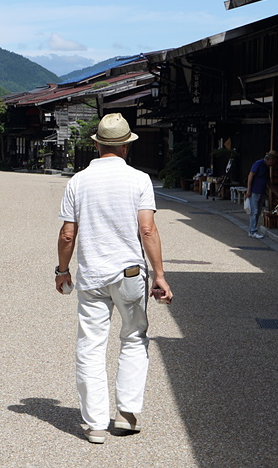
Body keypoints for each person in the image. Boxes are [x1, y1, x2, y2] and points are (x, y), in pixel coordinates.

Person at [54, 112, 172, 445]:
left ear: (96, 144)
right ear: (126, 146)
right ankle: (127, 414)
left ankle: (94, 425)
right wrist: (160, 274)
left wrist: (62, 270)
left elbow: (67, 234)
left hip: (92, 275)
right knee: (134, 337)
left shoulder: (78, 181)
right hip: (130, 273)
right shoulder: (139, 180)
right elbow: (147, 229)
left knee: (91, 345)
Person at [246, 150, 278, 239]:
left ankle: (252, 230)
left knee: (257, 212)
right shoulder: (259, 163)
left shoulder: (266, 167)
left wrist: (276, 193)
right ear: (270, 159)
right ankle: (253, 231)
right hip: (254, 191)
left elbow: (268, 183)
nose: (274, 163)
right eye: (274, 161)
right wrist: (249, 190)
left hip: (261, 191)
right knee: (254, 212)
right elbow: (250, 175)